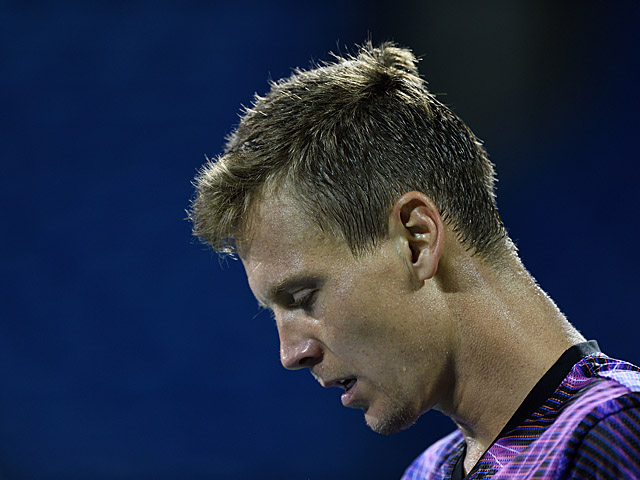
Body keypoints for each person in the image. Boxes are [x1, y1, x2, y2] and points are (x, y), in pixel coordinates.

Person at [189, 42, 640, 479]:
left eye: (305, 297)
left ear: (417, 239)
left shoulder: (613, 431)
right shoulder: (425, 471)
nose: (291, 354)